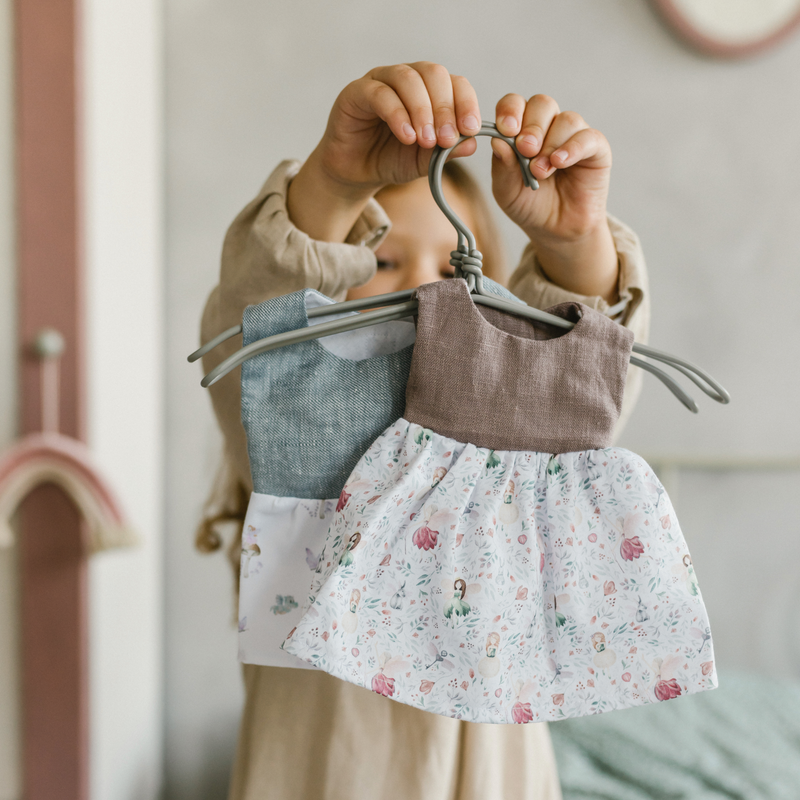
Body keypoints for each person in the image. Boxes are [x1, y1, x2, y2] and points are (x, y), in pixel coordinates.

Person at [198, 62, 650, 800]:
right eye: (382, 260)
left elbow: (572, 392)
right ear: (332, 274)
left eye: (454, 266)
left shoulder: (512, 446)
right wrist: (334, 184)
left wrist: (575, 246)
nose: (425, 290)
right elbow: (256, 330)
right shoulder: (288, 420)